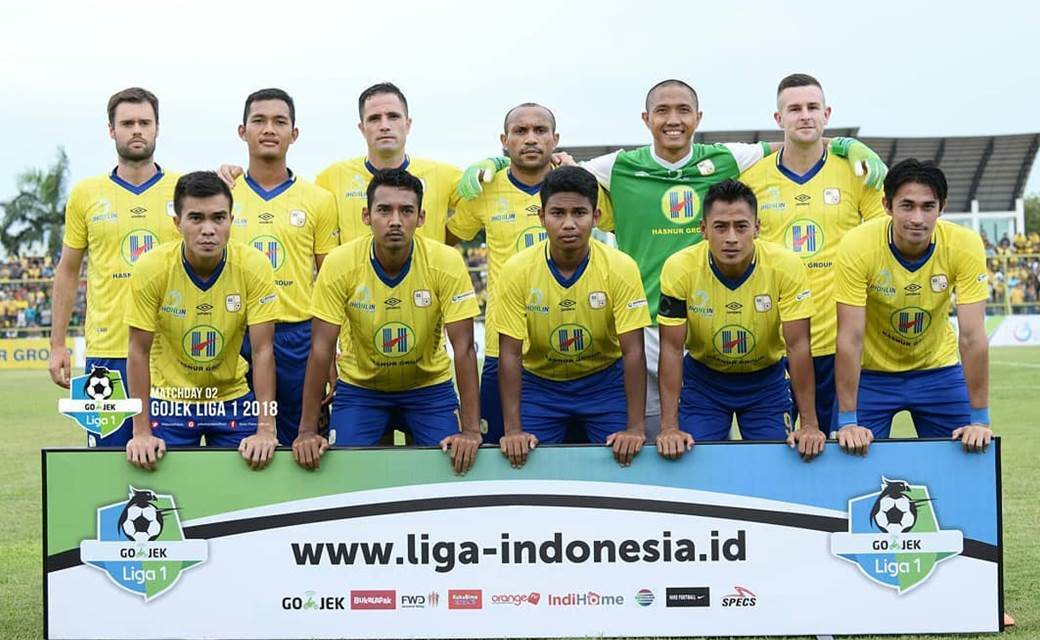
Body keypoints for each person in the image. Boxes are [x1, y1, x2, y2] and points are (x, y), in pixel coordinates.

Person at [460, 78, 887, 446]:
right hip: (646, 323)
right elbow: (552, 165)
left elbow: (792, 141)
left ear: (698, 117)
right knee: (651, 441)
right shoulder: (619, 165)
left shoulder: (726, 158)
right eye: (662, 111)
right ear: (646, 119)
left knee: (702, 440)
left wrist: (842, 145)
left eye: (683, 110)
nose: (673, 119)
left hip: (707, 324)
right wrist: (496, 160)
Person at [292, 169, 482, 475]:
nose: (395, 220)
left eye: (406, 211)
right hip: (361, 389)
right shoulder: (340, 263)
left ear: (421, 218)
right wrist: (307, 430)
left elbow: (464, 349)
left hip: (429, 389)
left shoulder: (446, 262)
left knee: (452, 466)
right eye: (384, 210)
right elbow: (320, 348)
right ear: (366, 216)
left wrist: (471, 431)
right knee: (346, 473)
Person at [742, 73, 887, 435]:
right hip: (776, 343)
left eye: (812, 107)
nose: (805, 115)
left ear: (827, 113)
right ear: (779, 118)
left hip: (842, 339)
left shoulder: (858, 171)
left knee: (844, 445)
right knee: (783, 450)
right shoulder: (752, 178)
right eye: (794, 109)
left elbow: (882, 240)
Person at [48, 87, 180, 446]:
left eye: (145, 122)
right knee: (105, 463)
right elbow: (68, 270)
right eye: (127, 123)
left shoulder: (182, 190)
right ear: (111, 130)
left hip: (170, 353)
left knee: (172, 462)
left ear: (157, 128)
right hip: (107, 353)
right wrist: (57, 345)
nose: (137, 130)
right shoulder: (85, 194)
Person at [833, 159, 992, 455]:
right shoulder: (858, 245)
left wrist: (980, 420)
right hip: (871, 375)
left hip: (938, 371)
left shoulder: (965, 245)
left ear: (942, 208)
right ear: (887, 205)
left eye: (928, 206)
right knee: (851, 460)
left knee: (967, 457)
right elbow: (850, 337)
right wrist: (847, 421)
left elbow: (972, 337)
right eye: (907, 206)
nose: (918, 218)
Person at [495, 166, 650, 468]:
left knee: (623, 464)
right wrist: (513, 430)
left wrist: (635, 427)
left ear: (596, 216)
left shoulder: (621, 267)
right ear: (541, 217)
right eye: (557, 213)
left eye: (579, 213)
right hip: (541, 386)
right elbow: (510, 353)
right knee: (527, 465)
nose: (569, 224)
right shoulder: (517, 269)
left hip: (604, 383)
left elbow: (633, 351)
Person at [656, 179, 822, 460]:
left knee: (775, 463)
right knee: (696, 462)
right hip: (704, 383)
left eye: (741, 227)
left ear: (757, 228)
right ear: (703, 230)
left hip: (766, 383)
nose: (731, 238)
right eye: (721, 227)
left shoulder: (786, 266)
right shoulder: (679, 268)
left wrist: (809, 424)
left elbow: (798, 346)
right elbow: (671, 349)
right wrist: (669, 427)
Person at [125, 172, 279, 470]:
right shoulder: (151, 268)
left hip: (232, 399)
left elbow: (263, 351)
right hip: (170, 401)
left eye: (218, 218)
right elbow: (137, 351)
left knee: (252, 478)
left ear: (231, 220)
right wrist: (141, 432)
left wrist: (265, 429)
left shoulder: (254, 266)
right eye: (196, 218)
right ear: (177, 222)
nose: (208, 230)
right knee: (165, 483)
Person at [445, 103, 561, 443]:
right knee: (498, 448)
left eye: (540, 131)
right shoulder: (486, 189)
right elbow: (445, 239)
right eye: (520, 131)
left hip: (565, 346)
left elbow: (616, 224)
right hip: (502, 342)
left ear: (555, 139)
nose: (530, 139)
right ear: (504, 141)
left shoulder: (575, 186)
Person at [230, 88, 339, 445]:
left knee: (300, 442)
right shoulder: (222, 195)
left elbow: (330, 281)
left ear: (294, 133)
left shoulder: (319, 200)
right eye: (259, 120)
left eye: (279, 121)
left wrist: (331, 351)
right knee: (237, 441)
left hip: (298, 337)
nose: (268, 129)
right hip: (235, 334)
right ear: (242, 131)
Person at [315, 82, 462, 244]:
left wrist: (488, 165)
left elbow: (477, 209)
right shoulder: (330, 179)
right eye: (374, 119)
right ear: (362, 128)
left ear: (407, 124)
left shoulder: (445, 176)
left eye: (393, 116)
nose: (384, 126)